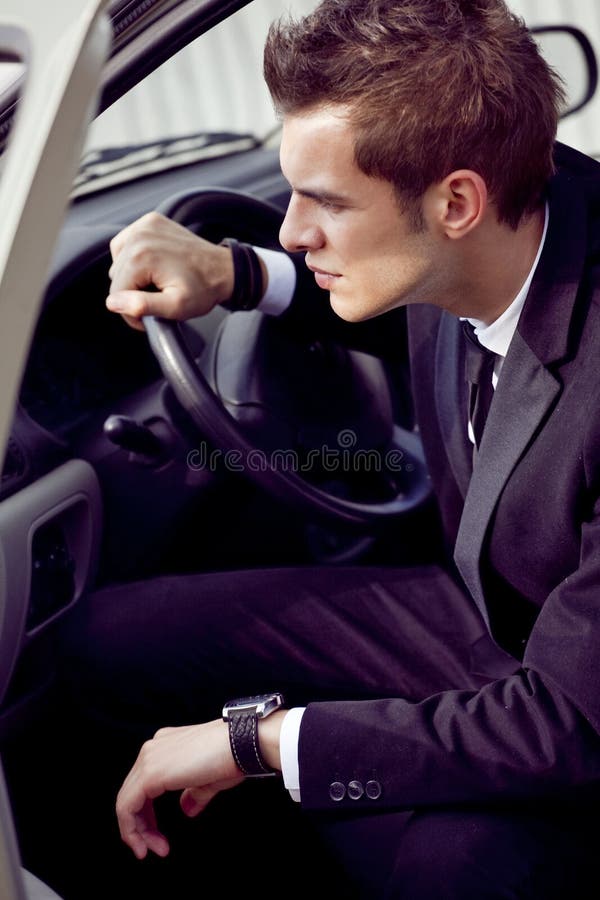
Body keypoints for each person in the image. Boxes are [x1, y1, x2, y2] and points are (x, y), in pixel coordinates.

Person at [57, 0, 600, 896]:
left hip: (565, 691)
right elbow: (424, 314)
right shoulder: (503, 226)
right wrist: (236, 275)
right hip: (477, 613)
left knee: (453, 866)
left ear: (456, 201)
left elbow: (573, 721)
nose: (293, 229)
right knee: (102, 642)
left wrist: (255, 741)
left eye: (327, 202)